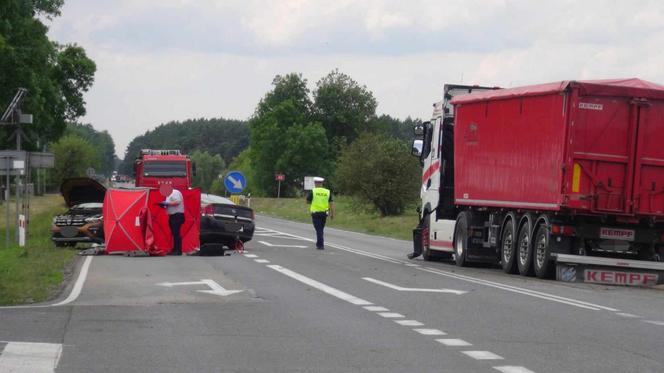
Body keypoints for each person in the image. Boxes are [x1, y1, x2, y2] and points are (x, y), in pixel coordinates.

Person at [306, 177, 335, 250]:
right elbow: (331, 203)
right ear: (322, 183)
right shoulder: (327, 191)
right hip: (324, 213)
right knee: (321, 228)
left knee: (318, 229)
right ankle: (319, 244)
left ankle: (320, 245)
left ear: (316, 183)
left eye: (315, 183)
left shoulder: (313, 191)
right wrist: (332, 213)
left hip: (315, 213)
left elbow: (307, 201)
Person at [160, 188, 185, 255]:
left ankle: (178, 250)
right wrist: (164, 205)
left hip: (177, 215)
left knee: (176, 233)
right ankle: (175, 249)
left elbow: (177, 202)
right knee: (174, 233)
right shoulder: (168, 195)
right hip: (172, 215)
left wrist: (167, 203)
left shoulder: (174, 192)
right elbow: (170, 204)